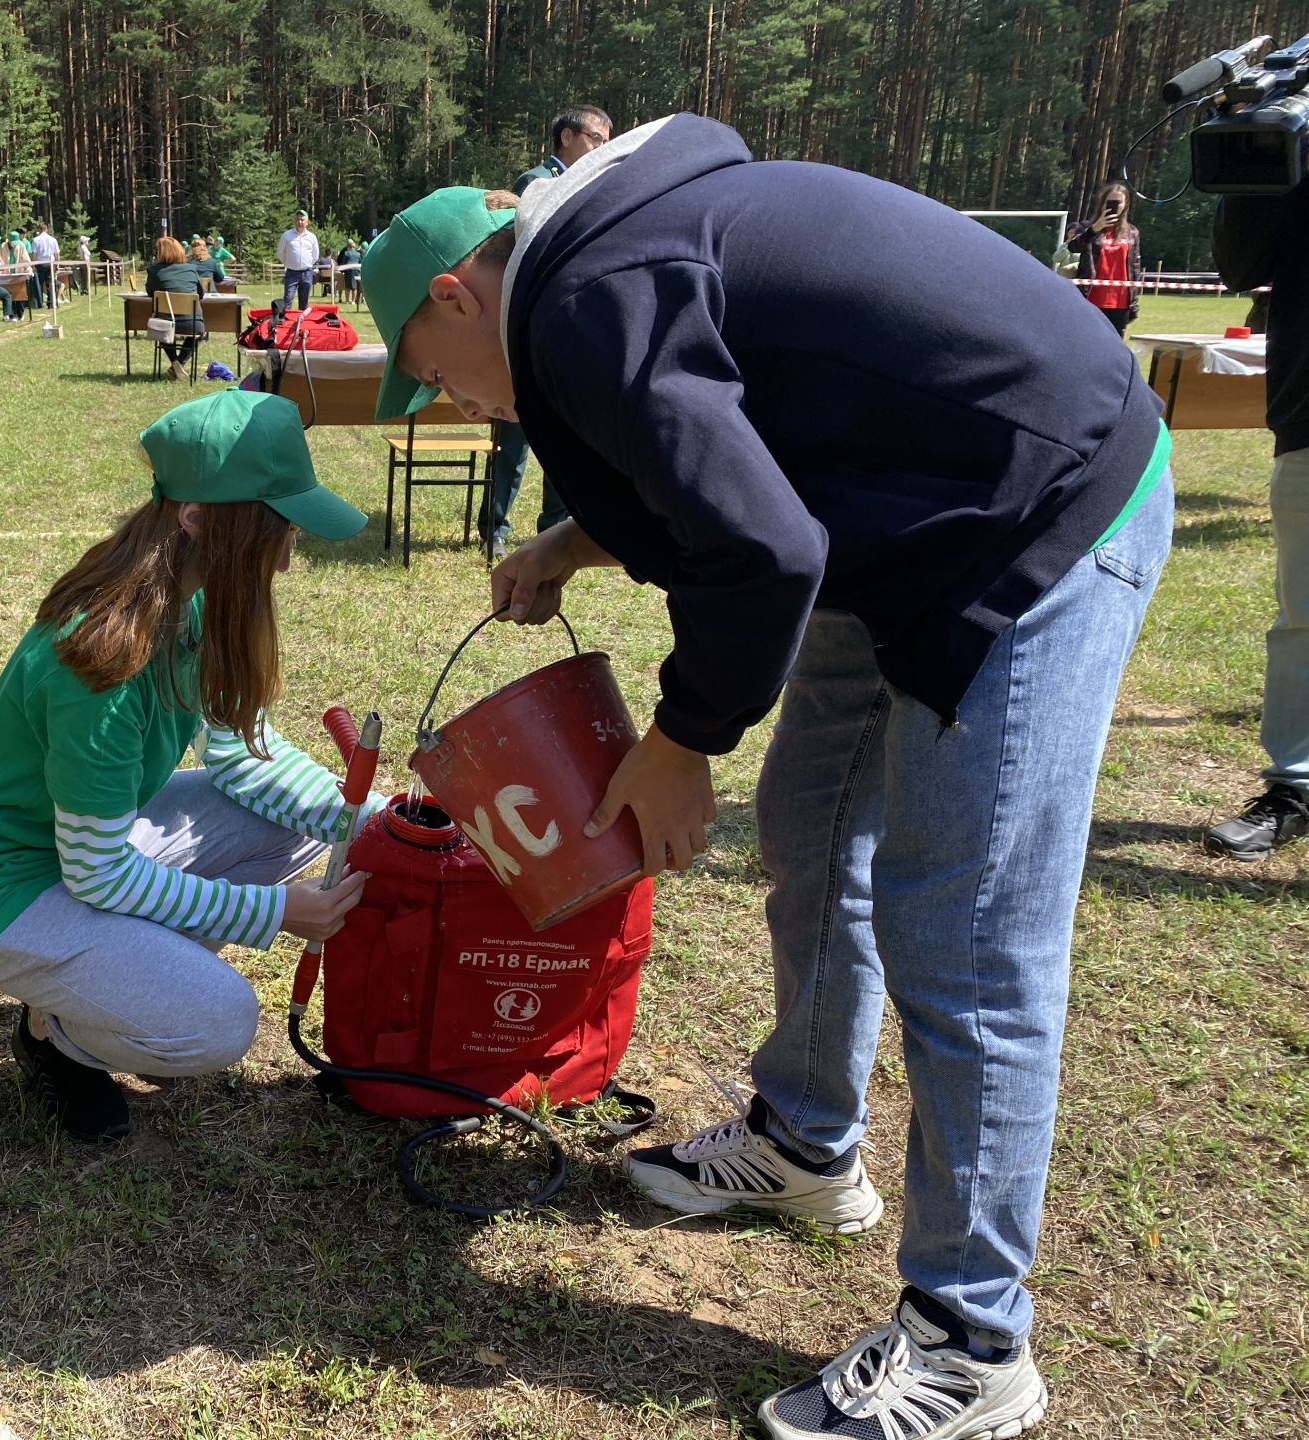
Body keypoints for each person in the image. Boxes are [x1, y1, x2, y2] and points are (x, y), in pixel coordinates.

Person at [362, 115, 1172, 1440]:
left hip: (1036, 507)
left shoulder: (579, 305)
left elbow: (760, 551)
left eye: (434, 376)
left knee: (962, 935)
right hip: (906, 521)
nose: (454, 405)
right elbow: (730, 431)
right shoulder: (606, 256)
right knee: (811, 832)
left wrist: (679, 747)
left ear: (459, 294)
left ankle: (973, 1341)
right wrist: (576, 538)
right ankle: (806, 1147)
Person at [0, 389, 370, 1142]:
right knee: (219, 1023)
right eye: (277, 524)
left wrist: (375, 818)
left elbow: (243, 755)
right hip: (6, 888)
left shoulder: (194, 602)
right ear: (197, 519)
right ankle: (54, 1037)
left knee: (301, 821)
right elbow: (97, 874)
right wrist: (275, 913)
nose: (291, 549)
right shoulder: (100, 659)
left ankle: (123, 985)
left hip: (87, 852)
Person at [1204, 178, 1309, 859]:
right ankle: (1295, 788)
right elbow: (1241, 265)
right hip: (1308, 421)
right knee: (1302, 618)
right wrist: (1254, 164)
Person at [481, 103, 613, 561]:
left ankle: (554, 529)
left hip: (571, 331)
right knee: (514, 439)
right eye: (596, 137)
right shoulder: (536, 182)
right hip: (529, 330)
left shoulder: (595, 184)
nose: (603, 147)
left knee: (565, 442)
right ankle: (494, 527)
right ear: (566, 137)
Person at [1065, 181, 1143, 338]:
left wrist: (1133, 303)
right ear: (1102, 203)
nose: (1114, 206)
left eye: (1118, 203)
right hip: (1091, 298)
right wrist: (1094, 229)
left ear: (1125, 204)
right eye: (1110, 202)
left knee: (1115, 347)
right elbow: (1073, 247)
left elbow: (1135, 268)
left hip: (1120, 302)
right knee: (1087, 341)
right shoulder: (1088, 228)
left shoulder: (1132, 232)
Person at [146, 235, 207, 380]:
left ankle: (175, 362)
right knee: (198, 333)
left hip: (166, 322)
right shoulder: (191, 269)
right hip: (193, 323)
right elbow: (201, 294)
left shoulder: (154, 270)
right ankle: (180, 362)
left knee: (159, 326)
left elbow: (151, 293)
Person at [276, 208, 321, 311]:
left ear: (307, 222)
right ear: (294, 221)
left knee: (304, 301)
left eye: (302, 220)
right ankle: (286, 322)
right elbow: (280, 253)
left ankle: (301, 324)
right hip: (291, 272)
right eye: (297, 220)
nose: (299, 222)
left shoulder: (312, 237)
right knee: (288, 298)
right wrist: (288, 263)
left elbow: (315, 255)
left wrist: (308, 264)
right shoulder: (287, 235)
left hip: (306, 273)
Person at [32, 222, 62, 307]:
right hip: (50, 263)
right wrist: (57, 265)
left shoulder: (35, 240)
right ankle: (51, 302)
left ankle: (39, 303)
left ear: (39, 229)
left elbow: (34, 254)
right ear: (46, 229)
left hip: (40, 263)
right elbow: (57, 254)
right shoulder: (53, 239)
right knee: (50, 283)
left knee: (39, 284)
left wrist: (33, 265)